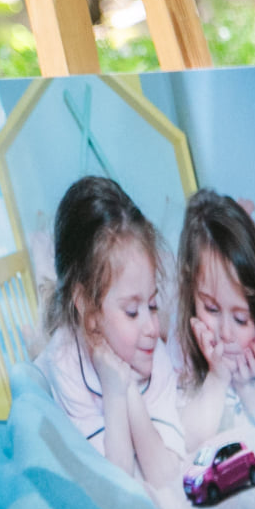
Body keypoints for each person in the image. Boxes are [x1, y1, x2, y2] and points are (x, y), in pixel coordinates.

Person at [38, 175, 185, 490]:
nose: (152, 328)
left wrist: (129, 389)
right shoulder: (66, 362)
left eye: (153, 305)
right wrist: (114, 391)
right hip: (56, 367)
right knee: (29, 379)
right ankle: (35, 341)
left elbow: (165, 474)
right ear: (89, 311)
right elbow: (115, 485)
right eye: (132, 312)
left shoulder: (154, 355)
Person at [176, 189, 255, 448]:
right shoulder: (180, 361)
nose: (226, 333)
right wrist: (218, 377)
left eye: (240, 319)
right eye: (211, 309)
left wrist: (246, 385)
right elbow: (188, 443)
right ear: (190, 292)